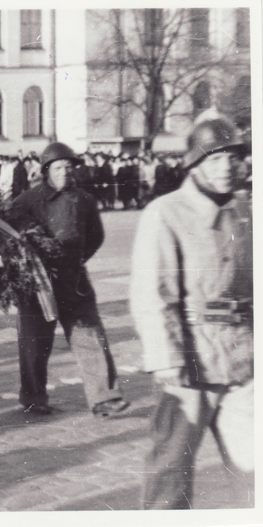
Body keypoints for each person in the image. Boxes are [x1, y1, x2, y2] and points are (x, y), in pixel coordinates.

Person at [130, 115, 253, 509]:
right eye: (215, 159)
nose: (227, 168)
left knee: (253, 468)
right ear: (194, 164)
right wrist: (166, 359)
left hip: (242, 361)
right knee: (170, 469)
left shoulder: (245, 213)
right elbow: (152, 294)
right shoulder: (166, 213)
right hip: (190, 362)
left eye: (234, 158)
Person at [7, 142, 129, 417]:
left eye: (69, 167)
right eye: (58, 168)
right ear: (46, 170)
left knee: (90, 338)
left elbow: (96, 236)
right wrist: (25, 265)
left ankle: (105, 398)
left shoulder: (84, 200)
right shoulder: (28, 200)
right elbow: (8, 236)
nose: (65, 173)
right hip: (37, 285)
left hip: (74, 282)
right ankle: (33, 397)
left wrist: (76, 260)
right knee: (35, 343)